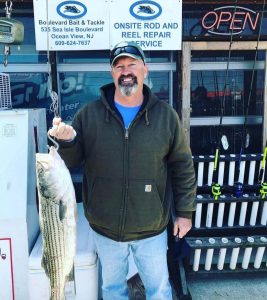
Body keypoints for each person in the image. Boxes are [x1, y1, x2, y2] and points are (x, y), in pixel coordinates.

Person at [49, 41, 196, 300]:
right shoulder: (90, 115)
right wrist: (67, 141)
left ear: (145, 70)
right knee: (112, 291)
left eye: (132, 65)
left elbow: (182, 166)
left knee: (159, 291)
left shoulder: (166, 116)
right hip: (106, 229)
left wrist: (184, 213)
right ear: (112, 74)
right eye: (119, 67)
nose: (126, 71)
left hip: (151, 228)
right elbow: (72, 160)